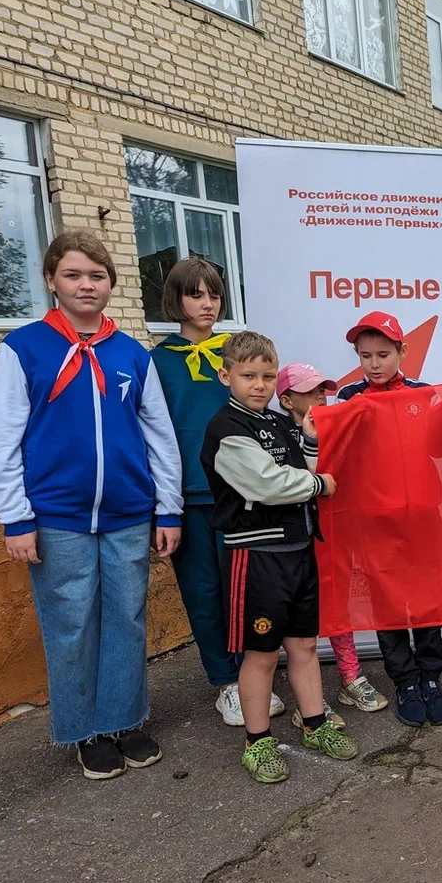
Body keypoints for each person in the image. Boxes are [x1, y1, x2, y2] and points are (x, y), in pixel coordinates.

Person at [0, 230, 182, 780]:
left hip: (127, 513)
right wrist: (15, 517)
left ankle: (124, 720)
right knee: (70, 623)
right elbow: (3, 438)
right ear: (52, 280)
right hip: (57, 517)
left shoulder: (130, 354)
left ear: (111, 283)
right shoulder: (23, 348)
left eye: (96, 276)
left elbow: (158, 436)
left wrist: (167, 509)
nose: (86, 285)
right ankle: (85, 731)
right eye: (73, 274)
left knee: (127, 617)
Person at [200, 332, 354, 783]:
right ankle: (258, 741)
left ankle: (315, 724)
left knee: (305, 645)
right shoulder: (226, 428)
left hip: (299, 549)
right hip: (257, 555)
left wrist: (307, 441)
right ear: (225, 375)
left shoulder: (278, 422)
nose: (260, 384)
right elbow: (267, 484)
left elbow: (298, 469)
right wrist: (320, 485)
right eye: (248, 375)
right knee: (262, 653)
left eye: (268, 376)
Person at [151, 258, 285, 728]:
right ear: (176, 300)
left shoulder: (237, 354)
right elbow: (153, 431)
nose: (207, 304)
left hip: (243, 494)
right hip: (188, 495)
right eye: (195, 295)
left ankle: (255, 671)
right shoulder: (158, 360)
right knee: (204, 591)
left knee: (246, 589)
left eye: (214, 295)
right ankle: (226, 683)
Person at [338, 311, 442, 727]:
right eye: (365, 355)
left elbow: (439, 449)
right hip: (376, 523)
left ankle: (431, 677)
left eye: (383, 354)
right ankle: (404, 680)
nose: (374, 363)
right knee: (387, 604)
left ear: (403, 351)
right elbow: (342, 456)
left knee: (428, 598)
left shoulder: (424, 394)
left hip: (424, 518)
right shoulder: (350, 398)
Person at [276, 363, 388, 723]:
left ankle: (350, 678)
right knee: (297, 622)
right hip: (290, 543)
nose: (320, 397)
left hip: (332, 535)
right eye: (311, 392)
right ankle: (309, 699)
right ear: (287, 399)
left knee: (338, 607)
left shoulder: (334, 428)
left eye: (323, 390)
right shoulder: (276, 435)